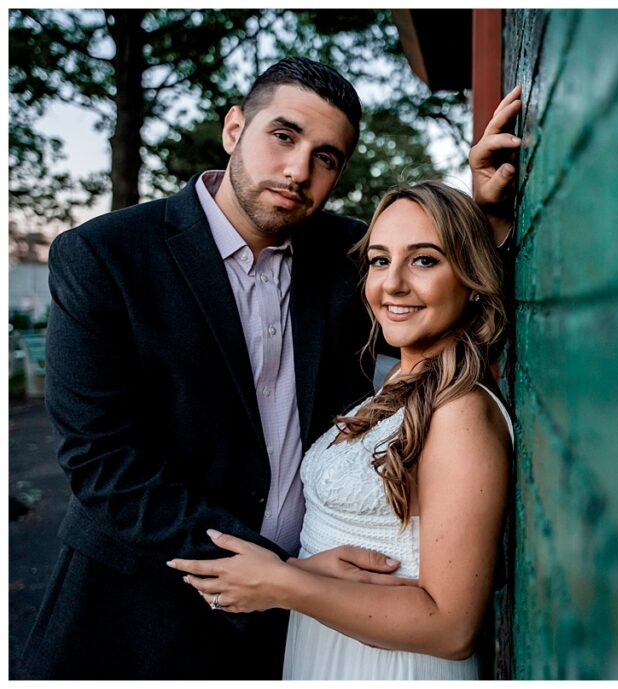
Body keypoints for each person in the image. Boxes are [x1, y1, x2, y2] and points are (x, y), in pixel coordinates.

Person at [20, 53, 522, 680]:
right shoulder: (104, 256)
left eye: (327, 157)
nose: (298, 170)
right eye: (283, 136)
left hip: (310, 623)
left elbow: (442, 302)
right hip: (141, 608)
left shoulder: (349, 256)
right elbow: (104, 464)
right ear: (235, 129)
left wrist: (487, 217)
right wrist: (280, 568)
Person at [170, 180, 512, 680]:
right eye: (378, 260)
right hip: (327, 646)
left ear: (471, 276)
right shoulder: (402, 378)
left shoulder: (460, 412)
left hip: (393, 667)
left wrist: (285, 585)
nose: (391, 284)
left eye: (424, 260)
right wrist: (295, 572)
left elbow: (452, 628)